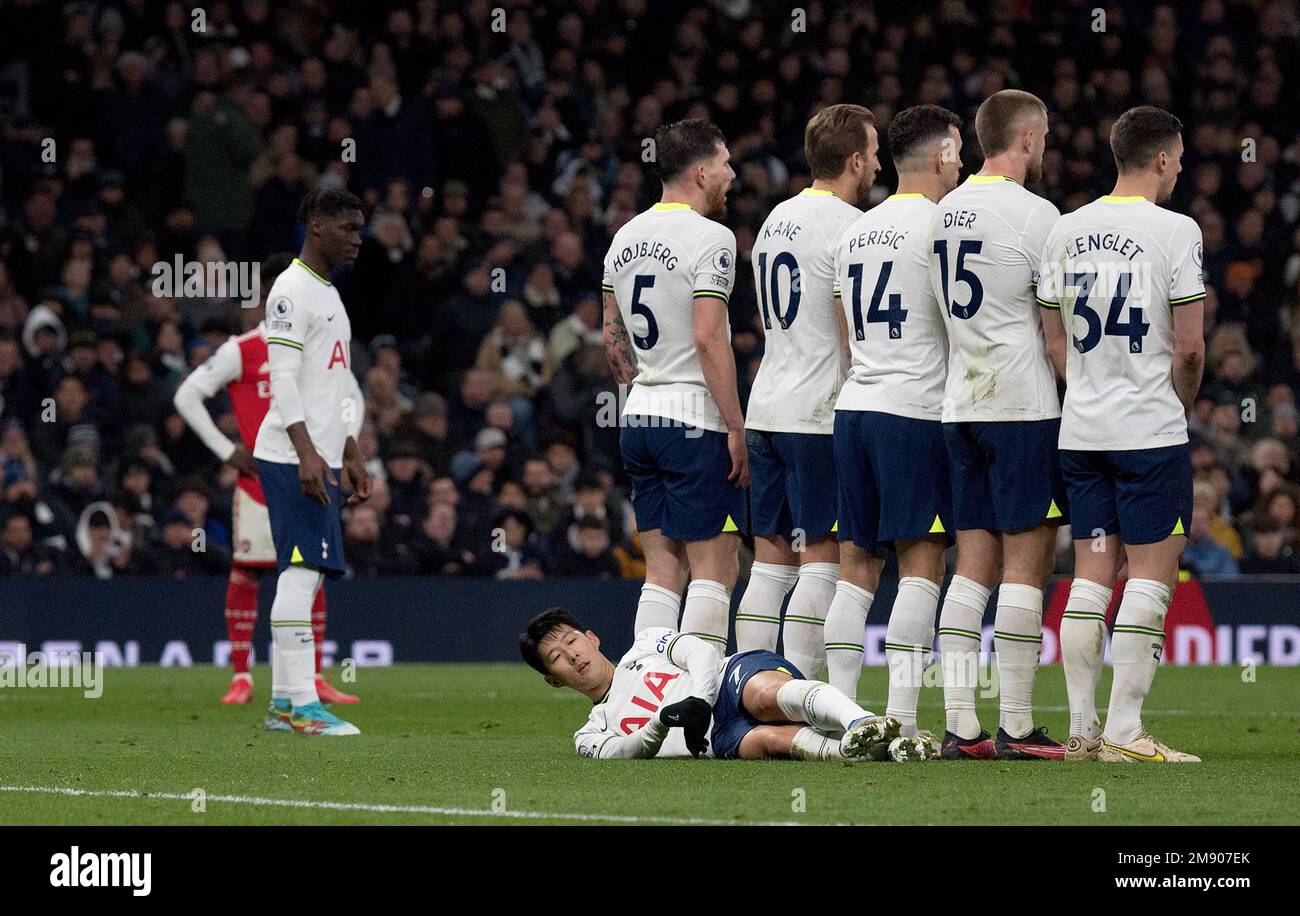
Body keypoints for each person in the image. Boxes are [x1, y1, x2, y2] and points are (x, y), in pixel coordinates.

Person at [1038, 106, 1206, 763]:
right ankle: (1127, 735)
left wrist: (1083, 386)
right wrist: (1176, 405)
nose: (1183, 168)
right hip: (1148, 431)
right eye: (1181, 158)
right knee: (1150, 580)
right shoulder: (1176, 230)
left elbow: (1052, 337)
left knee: (1090, 574)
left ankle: (1081, 731)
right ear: (1162, 159)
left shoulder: (1066, 228)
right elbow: (1190, 350)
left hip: (1083, 431)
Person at [928, 90, 1067, 760]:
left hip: (961, 405)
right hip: (1021, 405)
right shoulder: (1039, 216)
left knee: (971, 567)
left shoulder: (941, 214)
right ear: (1029, 138)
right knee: (1025, 567)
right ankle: (1016, 725)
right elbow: (1056, 329)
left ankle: (962, 727)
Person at [824, 106, 964, 744]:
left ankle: (842, 716)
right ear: (940, 158)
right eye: (958, 154)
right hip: (912, 410)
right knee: (922, 566)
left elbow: (846, 331)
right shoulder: (942, 226)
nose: (962, 166)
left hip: (854, 407)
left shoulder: (857, 229)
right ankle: (904, 721)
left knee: (856, 566)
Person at [173, 253, 359, 706]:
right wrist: (227, 450)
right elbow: (187, 394)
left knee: (308, 575)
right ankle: (244, 676)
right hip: (262, 480)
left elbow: (351, 394)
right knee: (250, 574)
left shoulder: (314, 344)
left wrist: (349, 441)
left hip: (314, 478)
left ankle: (308, 679)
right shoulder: (244, 349)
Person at [735, 104, 878, 679]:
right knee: (821, 563)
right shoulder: (849, 228)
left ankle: (748, 686)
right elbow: (847, 325)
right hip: (818, 413)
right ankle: (800, 698)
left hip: (767, 405)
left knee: (769, 566)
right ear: (853, 160)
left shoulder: (775, 219)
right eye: (871, 155)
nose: (876, 166)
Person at [601, 119, 747, 653]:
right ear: (702, 170)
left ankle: (647, 693)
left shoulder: (624, 236)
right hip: (694, 419)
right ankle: (697, 700)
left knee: (661, 570)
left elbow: (611, 339)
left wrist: (644, 390)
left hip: (639, 416)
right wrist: (735, 425)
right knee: (715, 567)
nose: (733, 175)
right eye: (726, 164)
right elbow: (710, 339)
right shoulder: (713, 238)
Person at [252, 187, 371, 737]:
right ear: (316, 224)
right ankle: (303, 707)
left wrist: (348, 447)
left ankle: (282, 703)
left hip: (319, 455)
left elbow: (335, 380)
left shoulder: (327, 292)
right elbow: (281, 379)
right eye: (348, 226)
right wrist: (306, 454)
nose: (357, 237)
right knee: (301, 575)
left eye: (360, 227)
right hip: (289, 454)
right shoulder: (291, 290)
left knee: (310, 577)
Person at [519, 607, 936, 762]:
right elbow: (622, 752)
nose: (572, 654)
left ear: (591, 638)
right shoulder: (590, 732)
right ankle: (876, 750)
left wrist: (698, 699)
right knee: (770, 741)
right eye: (557, 656)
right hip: (714, 740)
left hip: (727, 680)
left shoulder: (645, 645)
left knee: (764, 696)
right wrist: (663, 722)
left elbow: (700, 652)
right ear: (555, 681)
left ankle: (861, 721)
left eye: (571, 640)